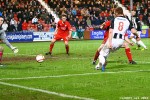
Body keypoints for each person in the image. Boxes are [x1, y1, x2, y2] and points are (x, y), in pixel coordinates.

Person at [96, 7, 138, 72]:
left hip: (113, 40)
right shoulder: (127, 21)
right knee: (107, 52)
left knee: (101, 54)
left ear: (116, 13)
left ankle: (103, 62)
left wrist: (109, 42)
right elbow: (133, 31)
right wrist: (137, 36)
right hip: (120, 42)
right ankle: (98, 66)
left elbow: (110, 32)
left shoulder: (114, 20)